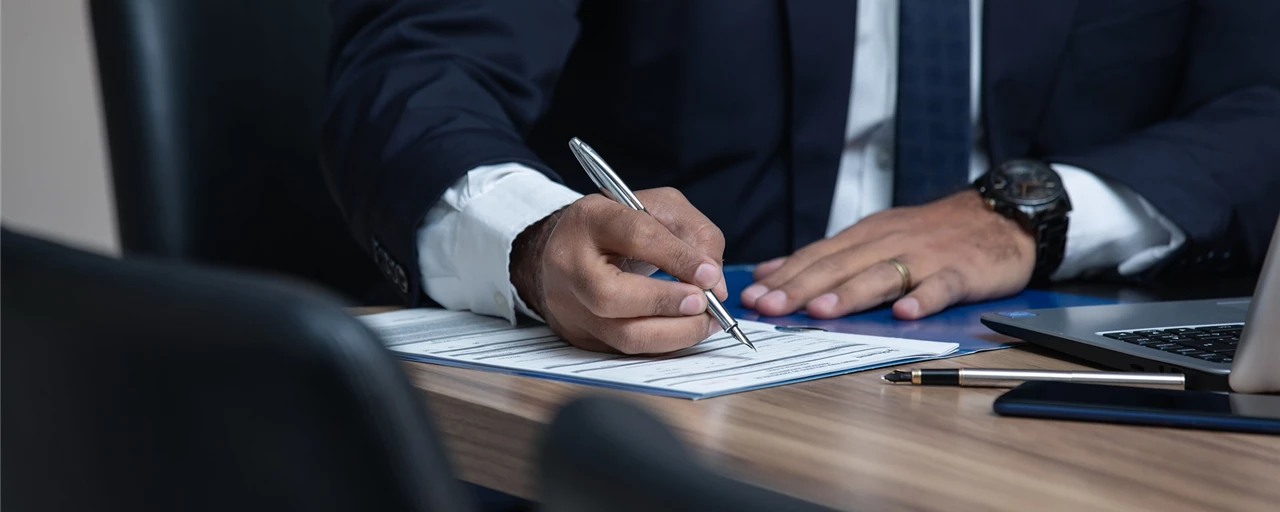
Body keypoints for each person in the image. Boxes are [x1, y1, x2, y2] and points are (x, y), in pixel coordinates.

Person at [322, 0, 1280, 355]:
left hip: (1052, 389)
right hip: (673, 399)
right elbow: (420, 68)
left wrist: (1034, 211)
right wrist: (534, 241)